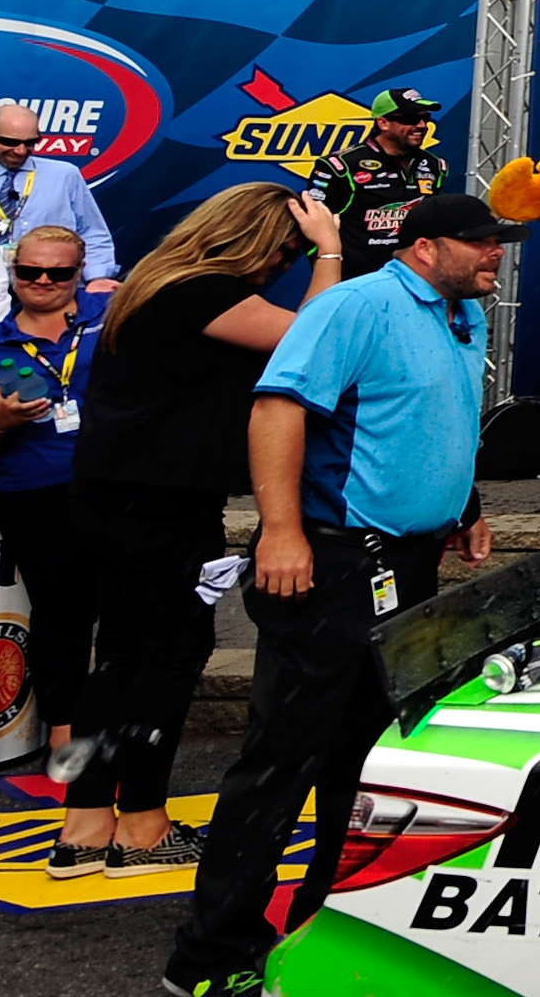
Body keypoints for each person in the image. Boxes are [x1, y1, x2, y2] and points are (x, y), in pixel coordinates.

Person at [163, 192, 501, 997]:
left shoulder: (464, 314)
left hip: (408, 566)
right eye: (481, 243)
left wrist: (466, 504)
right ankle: (209, 959)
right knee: (285, 760)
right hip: (335, 562)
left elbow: (433, 417)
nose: (497, 256)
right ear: (424, 248)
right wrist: (280, 531)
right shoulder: (359, 303)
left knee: (365, 758)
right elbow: (277, 408)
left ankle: (324, 924)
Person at [60, 180, 345, 878]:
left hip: (118, 495)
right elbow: (311, 342)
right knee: (166, 657)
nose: (284, 266)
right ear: (250, 239)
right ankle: (143, 828)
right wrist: (329, 254)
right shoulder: (198, 290)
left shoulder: (159, 282)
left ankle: (87, 825)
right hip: (157, 503)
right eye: (283, 253)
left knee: (124, 657)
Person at [0, 226, 107, 813]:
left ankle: (118, 724)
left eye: (58, 274)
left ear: (79, 271)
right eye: (29, 272)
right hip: (34, 492)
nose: (42, 283)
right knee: (61, 615)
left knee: (123, 613)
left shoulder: (112, 319)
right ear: (14, 272)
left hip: (112, 486)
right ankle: (64, 734)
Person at [0, 103, 121, 292]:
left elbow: (91, 231)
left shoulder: (65, 176)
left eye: (30, 142)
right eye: (10, 142)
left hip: (53, 288)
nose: (21, 151)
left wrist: (97, 277)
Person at [310, 88, 450, 277]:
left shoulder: (434, 165)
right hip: (355, 281)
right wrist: (332, 272)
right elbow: (312, 228)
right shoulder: (341, 165)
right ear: (383, 122)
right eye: (409, 119)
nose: (421, 125)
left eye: (426, 118)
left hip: (412, 280)